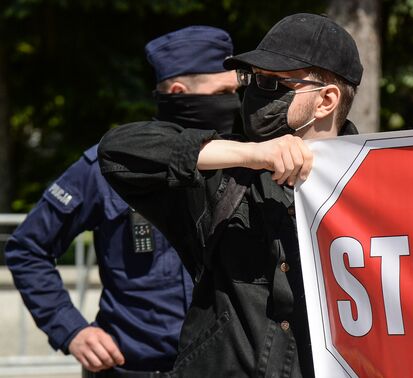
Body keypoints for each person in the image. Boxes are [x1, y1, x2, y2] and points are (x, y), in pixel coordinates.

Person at [98, 13, 362, 377]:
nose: (254, 93)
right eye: (253, 79)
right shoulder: (227, 172)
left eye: (273, 83)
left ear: (326, 100)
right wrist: (254, 154)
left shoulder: (371, 187)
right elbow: (118, 151)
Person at [5, 25, 240, 377]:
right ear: (180, 92)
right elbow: (28, 248)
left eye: (235, 92)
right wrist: (72, 330)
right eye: (222, 91)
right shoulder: (109, 165)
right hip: (131, 369)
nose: (234, 103)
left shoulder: (241, 160)